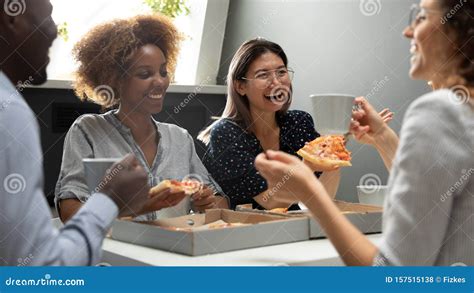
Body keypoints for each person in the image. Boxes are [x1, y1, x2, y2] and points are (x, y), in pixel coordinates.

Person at [255, 0, 473, 266]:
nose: (407, 32)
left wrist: (309, 189)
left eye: (421, 17)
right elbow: (441, 201)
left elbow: (392, 277)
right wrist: (384, 139)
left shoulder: (438, 111)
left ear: (459, 29)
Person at [0, 0, 151, 266]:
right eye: (48, 18)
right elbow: (40, 274)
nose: (56, 31)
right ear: (12, 17)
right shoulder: (10, 112)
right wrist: (110, 198)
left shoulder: (179, 136)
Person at [55, 14, 228, 223]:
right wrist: (139, 206)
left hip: (172, 251)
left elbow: (221, 203)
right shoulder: (88, 130)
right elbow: (69, 211)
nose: (159, 82)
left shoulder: (179, 138)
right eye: (145, 74)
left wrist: (206, 201)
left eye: (163, 72)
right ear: (115, 80)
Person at [198, 38, 392, 210]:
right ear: (240, 86)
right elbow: (269, 202)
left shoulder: (298, 122)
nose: (276, 82)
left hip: (296, 233)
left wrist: (336, 143)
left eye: (281, 72)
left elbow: (320, 199)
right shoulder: (225, 133)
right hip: (244, 236)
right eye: (263, 75)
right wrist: (307, 165)